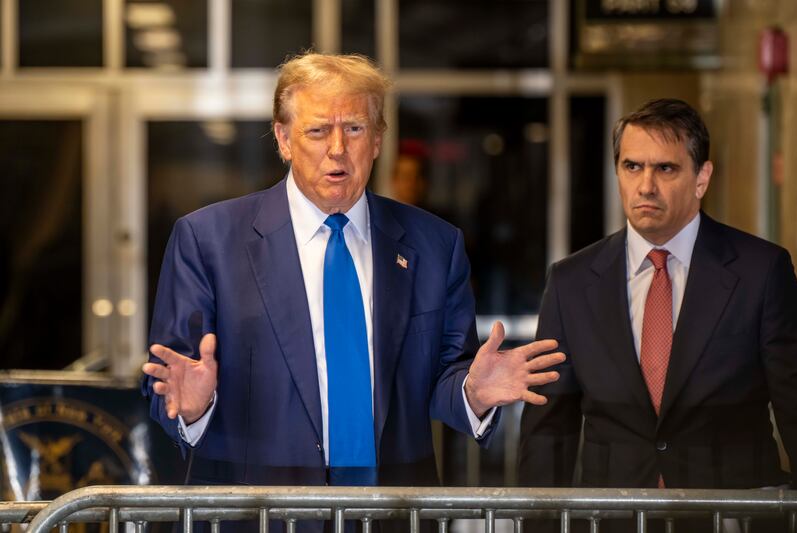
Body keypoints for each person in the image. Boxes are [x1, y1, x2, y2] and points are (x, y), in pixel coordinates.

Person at [141, 52, 564, 526]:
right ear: (283, 138)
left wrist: (472, 392)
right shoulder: (209, 240)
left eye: (356, 129)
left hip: (393, 515)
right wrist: (194, 407)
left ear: (379, 139)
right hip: (256, 515)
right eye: (318, 130)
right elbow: (171, 382)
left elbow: (446, 375)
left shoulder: (434, 245)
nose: (337, 148)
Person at [518, 99, 797, 531]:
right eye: (632, 167)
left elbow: (794, 405)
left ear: (701, 178)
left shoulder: (760, 272)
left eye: (665, 169)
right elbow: (548, 429)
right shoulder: (571, 283)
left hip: (731, 519)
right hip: (613, 521)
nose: (645, 185)